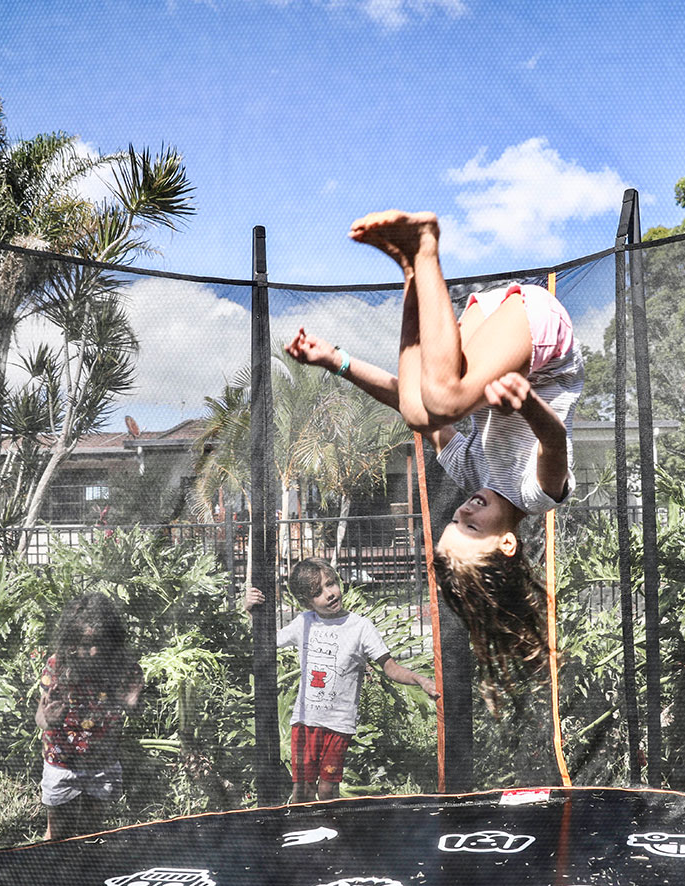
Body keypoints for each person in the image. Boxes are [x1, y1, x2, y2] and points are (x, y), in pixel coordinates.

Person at [284, 210, 583, 701]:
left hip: (487, 327)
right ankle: (425, 246)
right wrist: (527, 403)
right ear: (507, 544)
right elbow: (552, 441)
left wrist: (336, 361)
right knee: (442, 400)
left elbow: (406, 396)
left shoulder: (471, 472)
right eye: (471, 527)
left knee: (420, 412)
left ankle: (411, 271)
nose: (463, 511)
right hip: (544, 341)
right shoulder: (537, 493)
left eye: (455, 521)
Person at [245, 557, 438, 802]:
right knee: (302, 791)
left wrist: (419, 679)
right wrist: (252, 612)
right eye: (318, 592)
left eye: (331, 584)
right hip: (305, 722)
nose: (329, 594)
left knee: (327, 791)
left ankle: (330, 834)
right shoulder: (304, 622)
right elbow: (268, 640)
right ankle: (301, 833)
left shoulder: (360, 627)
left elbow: (390, 668)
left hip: (338, 724)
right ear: (306, 601)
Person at [35, 592, 144, 841]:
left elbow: (135, 711)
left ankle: (85, 875)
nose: (93, 652)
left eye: (100, 643)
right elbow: (40, 716)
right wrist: (48, 720)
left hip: (101, 764)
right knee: (58, 836)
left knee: (92, 833)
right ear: (71, 641)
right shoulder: (57, 666)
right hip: (62, 763)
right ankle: (55, 874)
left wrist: (132, 704)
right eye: (85, 644)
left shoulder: (125, 668)